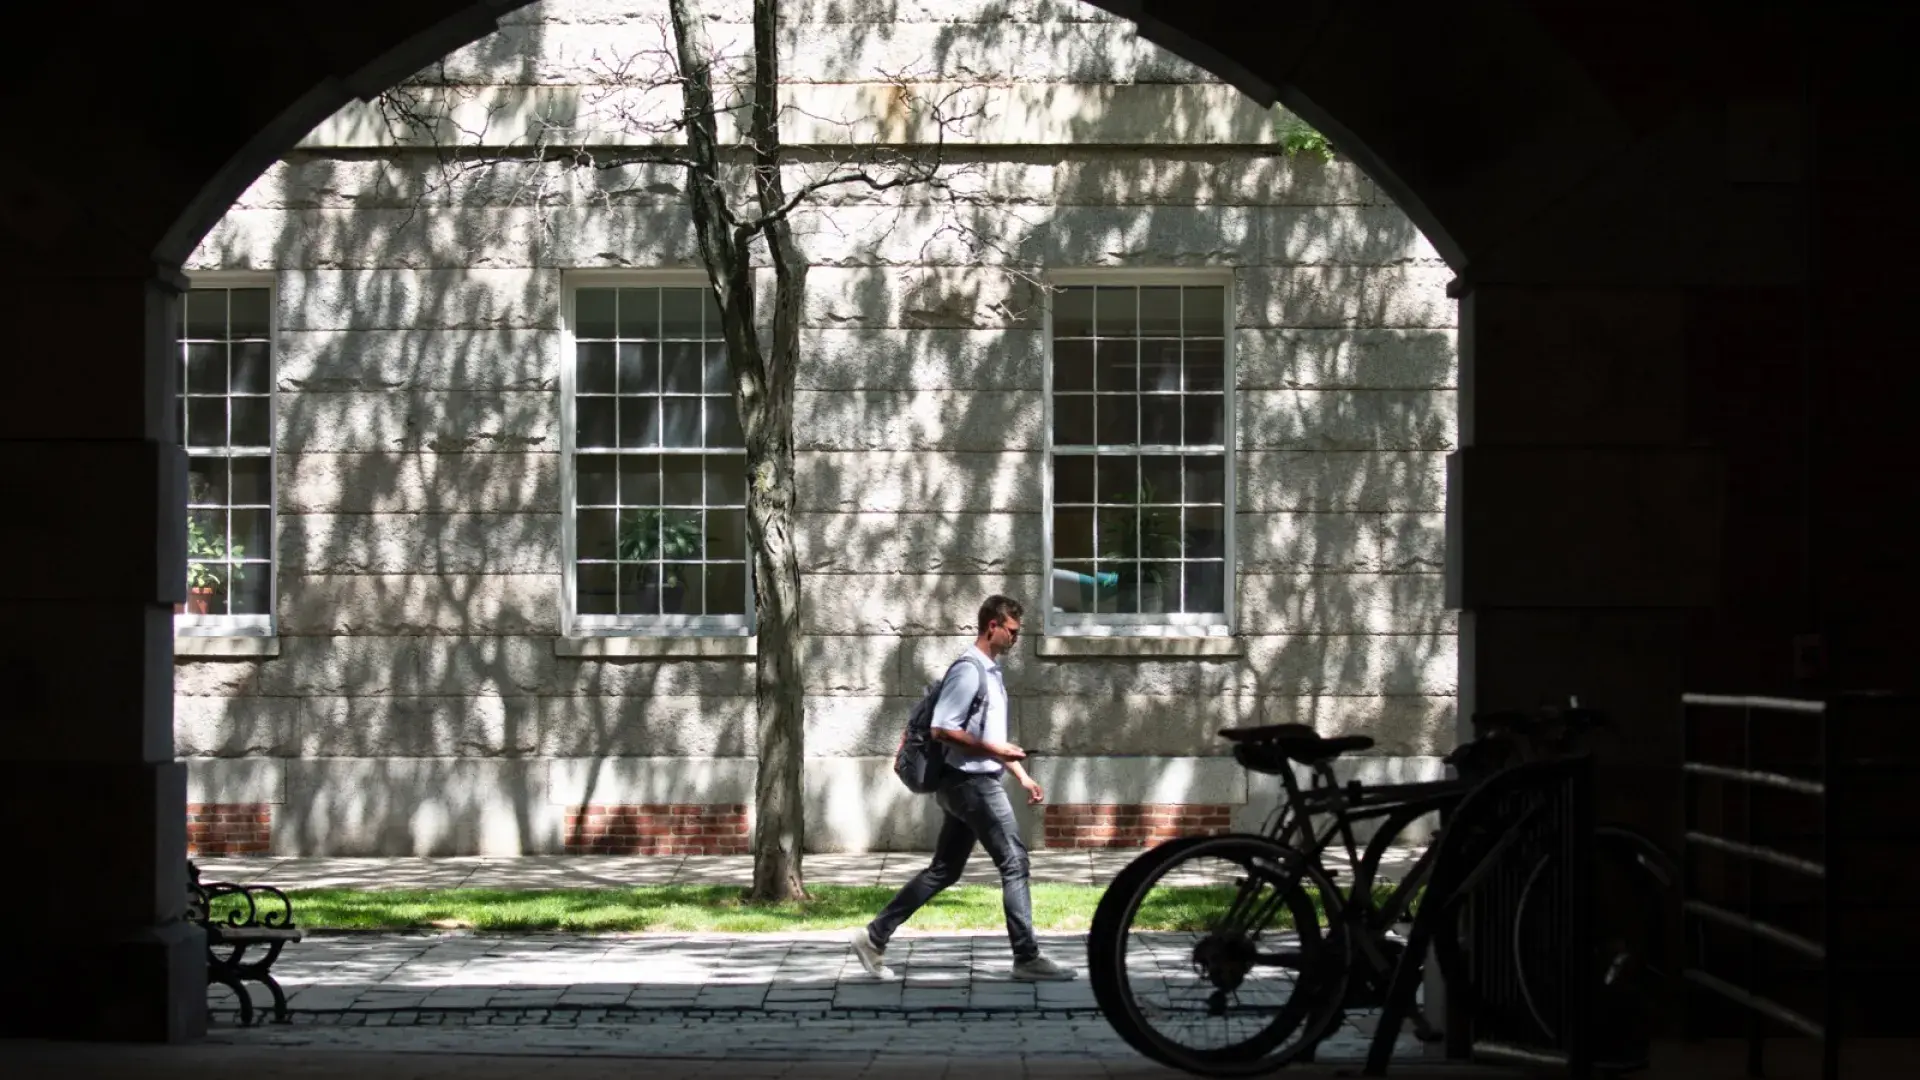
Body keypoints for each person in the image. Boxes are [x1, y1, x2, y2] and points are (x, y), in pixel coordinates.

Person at [849, 594, 1076, 982]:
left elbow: (985, 736)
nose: (1016, 638)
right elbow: (942, 728)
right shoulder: (969, 670)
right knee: (1015, 862)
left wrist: (1020, 775)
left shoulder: (990, 672)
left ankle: (873, 937)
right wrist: (993, 750)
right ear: (993, 626)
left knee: (944, 870)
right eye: (1013, 631)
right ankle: (1027, 957)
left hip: (972, 781)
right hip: (970, 784)